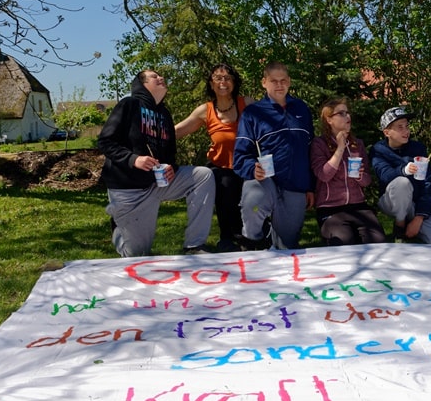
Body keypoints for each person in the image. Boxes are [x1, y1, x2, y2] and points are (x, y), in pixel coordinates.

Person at [98, 69, 215, 256]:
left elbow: (170, 155)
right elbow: (105, 141)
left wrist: (171, 168)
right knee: (136, 255)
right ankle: (119, 225)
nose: (161, 77)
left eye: (161, 75)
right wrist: (133, 159)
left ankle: (194, 246)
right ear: (142, 84)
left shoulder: (165, 115)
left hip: (158, 183)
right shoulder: (129, 105)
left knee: (203, 175)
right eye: (154, 76)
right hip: (129, 190)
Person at [232, 62, 314, 250]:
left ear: (289, 82)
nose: (279, 85)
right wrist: (253, 168)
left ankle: (274, 239)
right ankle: (253, 242)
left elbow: (311, 151)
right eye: (273, 81)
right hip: (264, 180)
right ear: (264, 82)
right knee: (253, 202)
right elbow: (240, 154)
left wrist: (310, 187)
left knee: (287, 247)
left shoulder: (301, 109)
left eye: (283, 80)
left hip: (296, 182)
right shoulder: (253, 113)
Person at [175, 63, 256, 252]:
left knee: (250, 201)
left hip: (248, 165)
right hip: (221, 166)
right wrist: (149, 135)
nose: (223, 82)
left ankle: (249, 237)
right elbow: (179, 130)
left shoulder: (248, 104)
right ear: (211, 84)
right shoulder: (206, 110)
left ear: (234, 82)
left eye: (227, 78)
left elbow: (268, 123)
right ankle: (227, 239)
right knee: (225, 195)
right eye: (218, 78)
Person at [370, 106, 431, 245]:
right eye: (400, 127)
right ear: (387, 132)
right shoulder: (379, 150)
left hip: (415, 203)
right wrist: (404, 170)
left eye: (407, 126)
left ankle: (411, 222)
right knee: (402, 182)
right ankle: (400, 225)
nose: (406, 131)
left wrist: (419, 218)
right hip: (390, 201)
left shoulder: (418, 148)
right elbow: (384, 175)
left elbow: (428, 184)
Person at [310, 98, 387, 246]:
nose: (348, 117)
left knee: (378, 242)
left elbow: (367, 181)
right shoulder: (319, 144)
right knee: (344, 242)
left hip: (358, 205)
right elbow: (323, 175)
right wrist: (339, 148)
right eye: (342, 113)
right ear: (329, 119)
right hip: (330, 208)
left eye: (348, 113)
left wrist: (360, 176)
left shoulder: (357, 144)